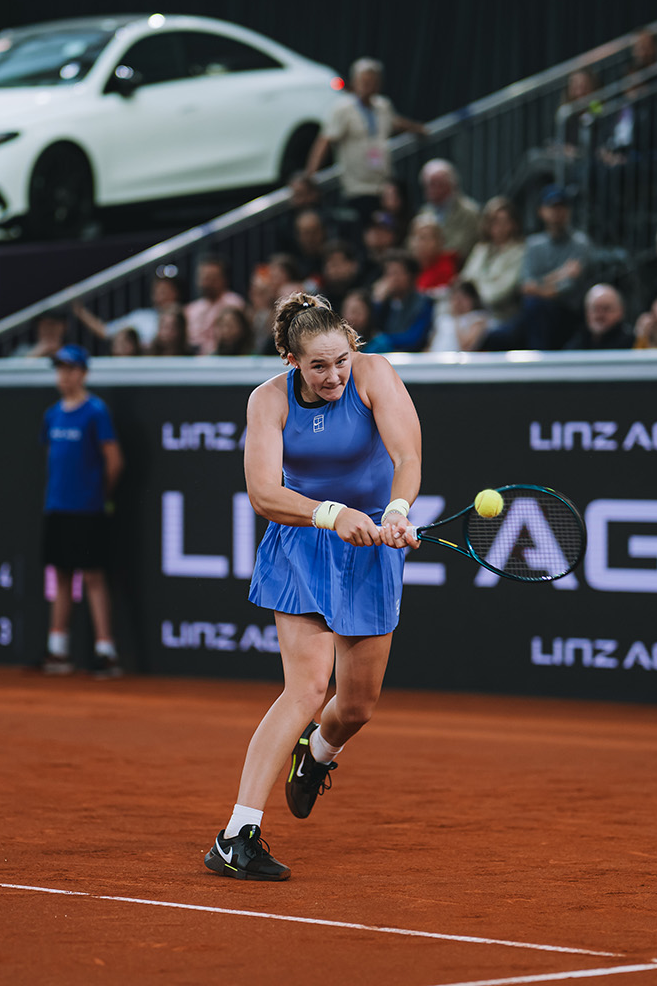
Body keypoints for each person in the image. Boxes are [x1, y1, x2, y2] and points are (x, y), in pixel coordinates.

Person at [203, 293, 421, 881]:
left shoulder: (374, 374)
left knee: (356, 706)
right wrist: (331, 514)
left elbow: (407, 455)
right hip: (302, 545)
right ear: (292, 360)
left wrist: (396, 510)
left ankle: (318, 752)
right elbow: (263, 493)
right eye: (318, 365)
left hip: (370, 547)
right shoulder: (268, 400)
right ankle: (237, 834)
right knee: (305, 688)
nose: (333, 376)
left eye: (341, 360)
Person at [40, 346, 123, 678]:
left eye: (70, 369)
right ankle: (58, 650)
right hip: (57, 507)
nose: (64, 375)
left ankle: (106, 652)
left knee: (93, 577)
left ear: (83, 373)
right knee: (61, 576)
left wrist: (100, 496)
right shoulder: (52, 415)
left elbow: (114, 462)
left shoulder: (95, 412)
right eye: (60, 368)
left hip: (88, 509)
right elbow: (51, 460)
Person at [303, 58, 428, 224]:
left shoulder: (383, 105)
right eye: (364, 81)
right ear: (354, 82)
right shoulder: (342, 108)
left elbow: (396, 123)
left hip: (384, 185)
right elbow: (325, 140)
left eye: (372, 81)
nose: (368, 86)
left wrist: (418, 128)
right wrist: (311, 174)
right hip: (358, 188)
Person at [484, 185, 592, 351]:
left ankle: (538, 361)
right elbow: (525, 286)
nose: (557, 212)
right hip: (532, 313)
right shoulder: (533, 244)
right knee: (492, 338)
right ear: (541, 211)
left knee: (536, 307)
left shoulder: (580, 244)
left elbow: (566, 289)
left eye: (561, 207)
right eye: (552, 207)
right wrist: (561, 274)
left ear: (568, 211)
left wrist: (540, 285)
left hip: (566, 315)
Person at [459, 197, 526, 321]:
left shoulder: (520, 252)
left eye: (504, 221)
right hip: (472, 310)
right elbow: (466, 279)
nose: (498, 227)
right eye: (493, 221)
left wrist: (475, 291)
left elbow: (501, 292)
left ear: (514, 224)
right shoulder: (481, 249)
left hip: (501, 315)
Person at [412, 160, 482, 262]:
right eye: (428, 184)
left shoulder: (469, 212)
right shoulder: (424, 211)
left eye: (436, 184)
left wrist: (431, 250)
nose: (431, 189)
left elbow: (463, 248)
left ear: (451, 184)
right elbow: (411, 243)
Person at [366, 250, 434, 353]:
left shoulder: (423, 303)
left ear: (410, 276)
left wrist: (385, 339)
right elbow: (370, 330)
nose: (392, 279)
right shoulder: (384, 302)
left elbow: (414, 339)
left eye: (396, 273)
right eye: (388, 274)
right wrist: (377, 302)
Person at [185, 257, 248, 355]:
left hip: (226, 356)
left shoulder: (234, 303)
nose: (208, 283)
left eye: (213, 278)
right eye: (205, 278)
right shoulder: (192, 309)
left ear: (224, 279)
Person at [427, 280, 491, 352]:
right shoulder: (443, 318)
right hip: (434, 356)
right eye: (455, 298)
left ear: (472, 299)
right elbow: (430, 345)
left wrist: (456, 319)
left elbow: (466, 347)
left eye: (462, 299)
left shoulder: (478, 318)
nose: (458, 303)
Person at [564, 284, 633, 350]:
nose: (599, 315)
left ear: (621, 311)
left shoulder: (633, 344)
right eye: (595, 309)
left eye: (606, 309)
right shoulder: (578, 342)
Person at [408, 214, 459, 296]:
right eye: (415, 237)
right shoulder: (408, 268)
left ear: (439, 242)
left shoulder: (446, 269)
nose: (419, 243)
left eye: (425, 238)